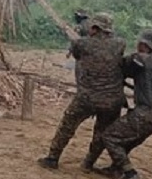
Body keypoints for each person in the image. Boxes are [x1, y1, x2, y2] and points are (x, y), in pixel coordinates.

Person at [38, 13, 126, 170]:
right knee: (101, 132)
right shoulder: (120, 44)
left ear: (94, 28)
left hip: (87, 97)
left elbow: (78, 52)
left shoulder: (81, 44)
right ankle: (88, 163)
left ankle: (53, 158)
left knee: (67, 125)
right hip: (112, 99)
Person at [101, 29, 152, 179]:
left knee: (110, 137)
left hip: (146, 113)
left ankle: (129, 173)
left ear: (145, 45)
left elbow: (120, 65)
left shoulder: (142, 59)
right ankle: (115, 168)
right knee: (126, 140)